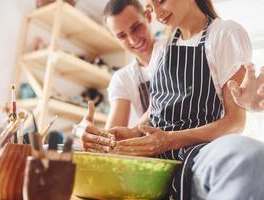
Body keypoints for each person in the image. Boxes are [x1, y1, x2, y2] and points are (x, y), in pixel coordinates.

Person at [82, 0, 264, 199]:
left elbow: (234, 123)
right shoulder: (161, 48)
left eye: (161, 1)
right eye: (151, 6)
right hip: (156, 164)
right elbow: (157, 107)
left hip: (199, 154)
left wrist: (168, 141)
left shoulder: (224, 33)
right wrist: (132, 132)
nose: (158, 13)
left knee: (248, 157)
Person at [78, 0, 158, 152]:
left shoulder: (177, 52)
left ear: (148, 16)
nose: (133, 40)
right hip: (154, 152)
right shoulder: (123, 78)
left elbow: (167, 102)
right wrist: (88, 135)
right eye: (122, 36)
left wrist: (135, 131)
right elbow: (111, 139)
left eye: (136, 27)